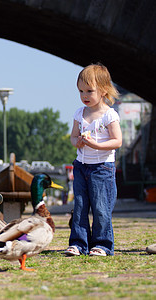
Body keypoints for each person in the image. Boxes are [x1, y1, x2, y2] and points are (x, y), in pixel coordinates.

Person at [64, 63, 122, 257]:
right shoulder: (80, 113)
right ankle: (79, 243)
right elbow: (72, 137)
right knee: (79, 206)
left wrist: (96, 145)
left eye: (89, 91)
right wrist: (78, 142)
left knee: (101, 208)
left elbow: (117, 141)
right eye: (81, 91)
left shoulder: (109, 115)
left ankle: (103, 244)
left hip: (102, 168)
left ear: (104, 90)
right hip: (81, 166)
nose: (84, 96)